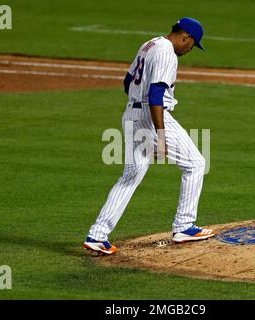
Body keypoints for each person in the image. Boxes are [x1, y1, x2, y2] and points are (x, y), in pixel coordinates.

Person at [84, 17, 215, 255]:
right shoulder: (167, 54)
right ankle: (184, 226)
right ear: (185, 37)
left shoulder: (150, 44)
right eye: (192, 45)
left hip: (131, 115)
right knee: (196, 163)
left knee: (130, 177)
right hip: (150, 116)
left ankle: (97, 234)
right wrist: (161, 134)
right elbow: (156, 95)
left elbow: (127, 82)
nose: (190, 50)